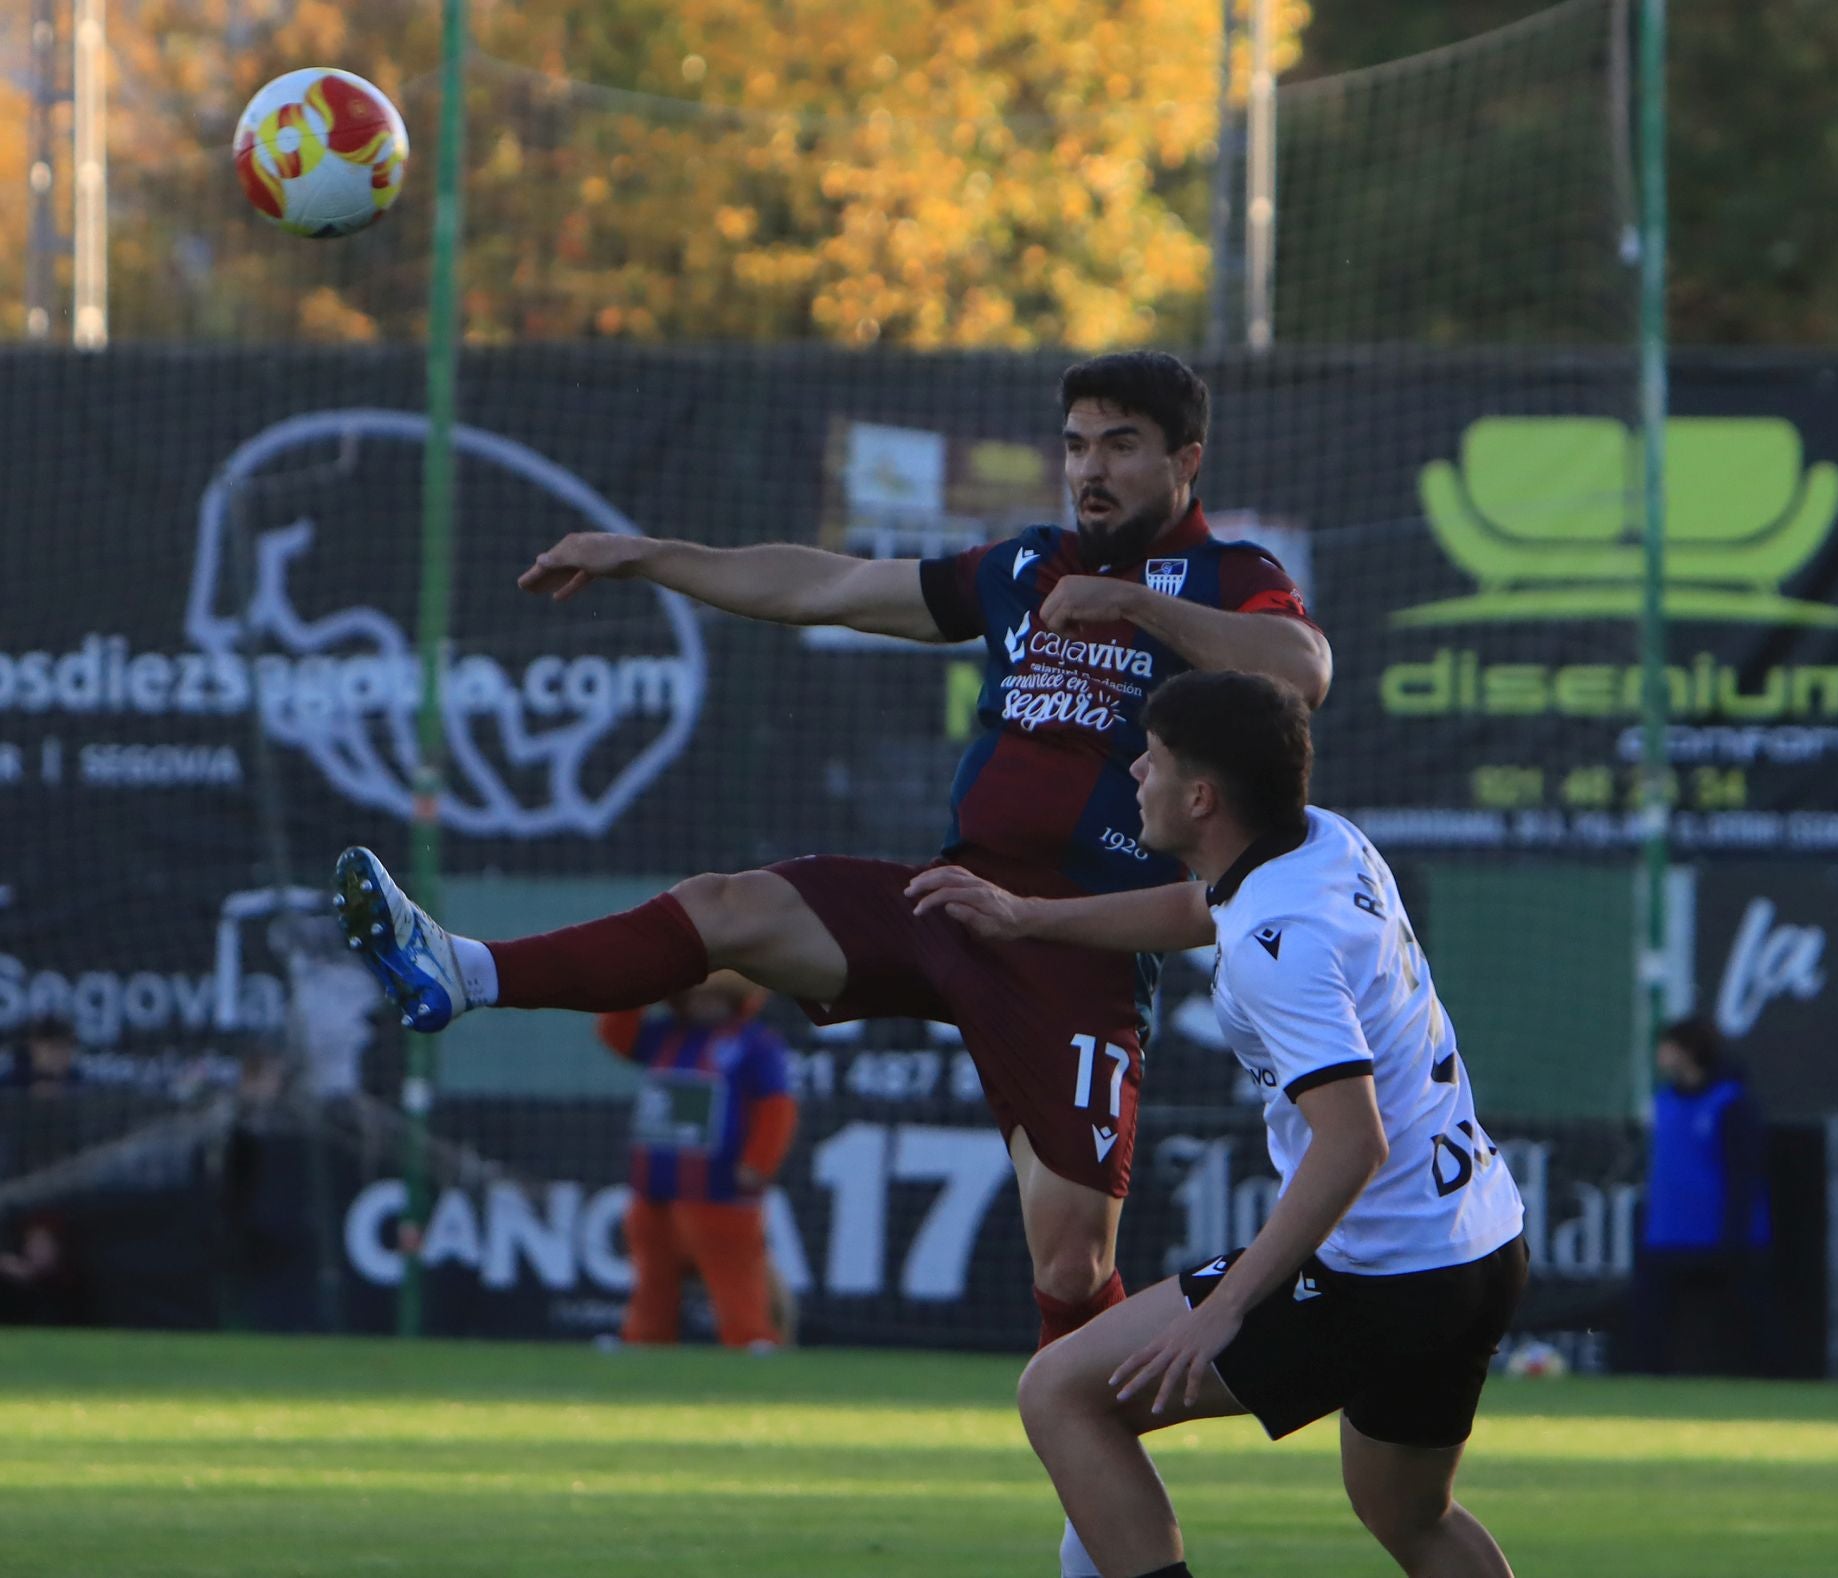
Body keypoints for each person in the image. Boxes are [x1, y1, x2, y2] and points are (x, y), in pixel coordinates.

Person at [333, 350, 1328, 1575]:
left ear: (1185, 460)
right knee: (732, 905)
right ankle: (463, 970)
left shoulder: (1231, 579)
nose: (1090, 469)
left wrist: (1140, 610)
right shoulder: (1024, 567)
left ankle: (1097, 1498)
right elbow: (825, 585)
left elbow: (1304, 671)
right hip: (954, 902)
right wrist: (650, 556)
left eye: (1120, 444)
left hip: (1078, 946)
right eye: (1074, 444)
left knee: (1073, 1260)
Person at [907, 670, 1526, 1578]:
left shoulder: (1283, 947)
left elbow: (1353, 1141)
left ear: (1200, 797)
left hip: (1383, 1271)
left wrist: (1225, 1310)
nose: (1134, 779)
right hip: (1478, 1246)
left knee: (1064, 1391)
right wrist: (1028, 918)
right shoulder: (1323, 843)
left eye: (1149, 764)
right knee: (1409, 1515)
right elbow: (1208, 906)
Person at [596, 969, 798, 1350]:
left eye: (714, 997)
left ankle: (750, 1338)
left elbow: (777, 1108)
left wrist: (758, 1162)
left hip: (719, 1187)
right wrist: (639, 987)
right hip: (655, 1183)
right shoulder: (665, 1036)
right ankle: (644, 1339)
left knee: (733, 1273)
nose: (702, 1004)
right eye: (694, 997)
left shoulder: (755, 1044)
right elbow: (615, 1035)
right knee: (652, 1272)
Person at [1629, 1014, 1775, 1376]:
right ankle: (1645, 1387)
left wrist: (1735, 1235)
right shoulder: (1663, 1102)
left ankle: (1776, 1382)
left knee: (1753, 1320)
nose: (1660, 1055)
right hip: (1668, 1237)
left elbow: (1744, 1174)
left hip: (1724, 1237)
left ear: (1688, 1051)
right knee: (1649, 1322)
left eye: (1667, 1047)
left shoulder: (1731, 1103)